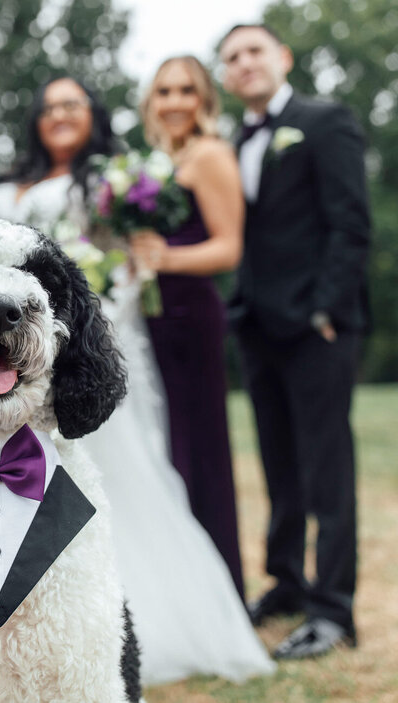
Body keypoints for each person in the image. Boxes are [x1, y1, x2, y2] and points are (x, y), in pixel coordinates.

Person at [0, 76, 274, 686]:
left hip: (77, 349)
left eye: (74, 104)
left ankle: (136, 625)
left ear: (94, 115)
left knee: (111, 486)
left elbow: (121, 271)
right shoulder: (7, 187)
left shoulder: (109, 182)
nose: (61, 114)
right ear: (35, 118)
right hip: (13, 362)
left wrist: (75, 342)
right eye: (49, 105)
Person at [219, 24, 369, 659]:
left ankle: (333, 611)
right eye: (231, 58)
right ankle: (286, 582)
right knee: (279, 465)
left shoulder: (324, 120)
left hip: (316, 328)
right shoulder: (235, 140)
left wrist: (326, 308)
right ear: (225, 77)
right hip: (258, 327)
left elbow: (350, 222)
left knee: (325, 469)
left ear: (282, 57)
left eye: (254, 51)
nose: (244, 63)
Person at [131, 56, 246, 599]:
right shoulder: (158, 161)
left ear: (204, 99)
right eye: (163, 91)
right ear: (150, 102)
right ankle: (182, 585)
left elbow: (228, 247)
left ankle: (219, 589)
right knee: (168, 447)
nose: (174, 101)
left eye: (186, 91)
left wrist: (164, 259)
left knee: (201, 449)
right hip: (156, 319)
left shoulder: (211, 154)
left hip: (192, 318)